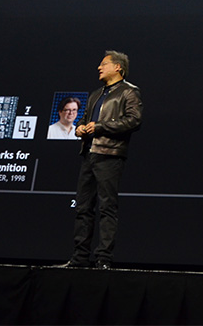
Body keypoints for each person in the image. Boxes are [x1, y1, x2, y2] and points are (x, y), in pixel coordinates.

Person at [61, 50, 143, 269]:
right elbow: (85, 119)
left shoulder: (129, 91)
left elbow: (134, 121)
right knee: (83, 207)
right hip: (89, 154)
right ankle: (79, 258)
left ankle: (103, 259)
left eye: (104, 64)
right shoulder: (96, 94)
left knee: (107, 207)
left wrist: (100, 127)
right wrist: (79, 128)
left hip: (110, 154)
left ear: (118, 67)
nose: (99, 67)